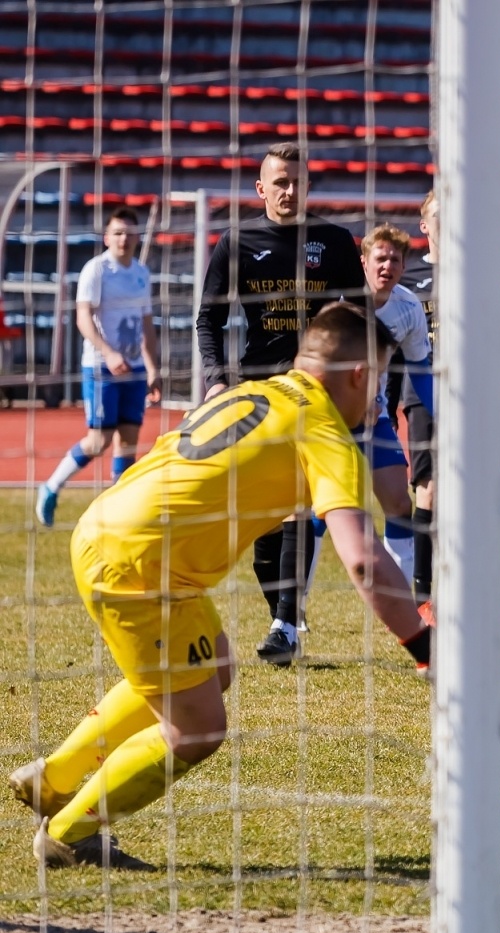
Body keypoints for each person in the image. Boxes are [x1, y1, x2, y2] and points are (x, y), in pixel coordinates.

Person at [8, 304, 430, 870]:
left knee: (218, 668)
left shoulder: (258, 390)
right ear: (359, 375)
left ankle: (52, 779)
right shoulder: (326, 429)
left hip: (111, 530)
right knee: (198, 730)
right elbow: (362, 560)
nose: (378, 399)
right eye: (378, 383)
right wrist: (425, 648)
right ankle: (66, 834)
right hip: (141, 564)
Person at [193, 142, 365, 662]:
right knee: (264, 521)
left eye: (297, 181)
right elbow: (209, 320)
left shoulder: (333, 243)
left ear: (308, 186)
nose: (289, 191)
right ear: (261, 188)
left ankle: (286, 623)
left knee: (297, 504)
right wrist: (219, 379)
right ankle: (283, 611)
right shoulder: (237, 241)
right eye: (280, 182)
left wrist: (369, 387)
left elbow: (359, 324)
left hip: (318, 393)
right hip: (256, 394)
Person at [256, 223, 436, 665]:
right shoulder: (338, 308)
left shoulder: (410, 309)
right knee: (311, 514)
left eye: (396, 259)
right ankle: (287, 623)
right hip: (329, 425)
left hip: (373, 422)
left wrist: (440, 416)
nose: (388, 266)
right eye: (381, 258)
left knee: (398, 500)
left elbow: (421, 370)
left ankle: (415, 609)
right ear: (364, 262)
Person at [402, 189, 500, 624]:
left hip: (476, 399)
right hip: (425, 396)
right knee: (430, 490)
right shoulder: (408, 281)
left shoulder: (481, 275)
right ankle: (425, 599)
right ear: (424, 225)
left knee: (493, 493)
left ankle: (491, 590)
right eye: (439, 217)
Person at [36, 208, 160, 527]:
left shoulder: (141, 273)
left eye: (129, 233)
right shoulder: (96, 270)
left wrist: (151, 367)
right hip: (100, 368)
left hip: (133, 370)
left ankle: (117, 515)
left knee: (129, 440)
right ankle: (50, 487)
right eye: (117, 233)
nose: (124, 239)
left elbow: (146, 325)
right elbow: (83, 318)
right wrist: (108, 353)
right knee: (99, 440)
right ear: (107, 237)